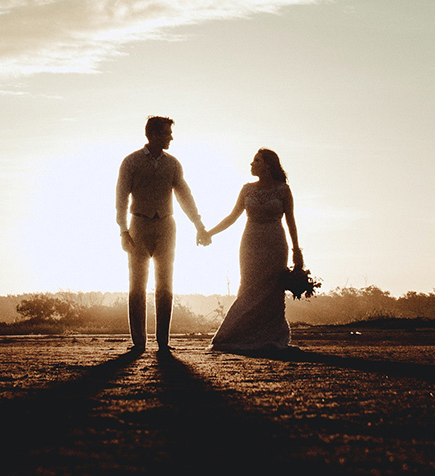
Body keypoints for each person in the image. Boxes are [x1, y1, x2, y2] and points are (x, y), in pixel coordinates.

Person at [116, 116, 209, 352]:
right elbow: (121, 198)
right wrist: (123, 230)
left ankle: (163, 341)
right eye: (167, 133)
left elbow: (184, 195)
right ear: (153, 134)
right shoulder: (131, 162)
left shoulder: (173, 164)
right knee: (137, 285)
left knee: (165, 284)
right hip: (139, 225)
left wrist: (198, 224)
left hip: (166, 226)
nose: (171, 137)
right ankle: (138, 342)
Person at [204, 148, 302, 352]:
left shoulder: (283, 190)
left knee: (272, 289)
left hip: (275, 242)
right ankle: (237, 332)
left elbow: (291, 222)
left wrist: (296, 251)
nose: (251, 164)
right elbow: (232, 217)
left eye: (256, 160)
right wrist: (209, 233)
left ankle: (271, 334)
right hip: (251, 243)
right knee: (249, 286)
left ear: (267, 165)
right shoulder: (247, 189)